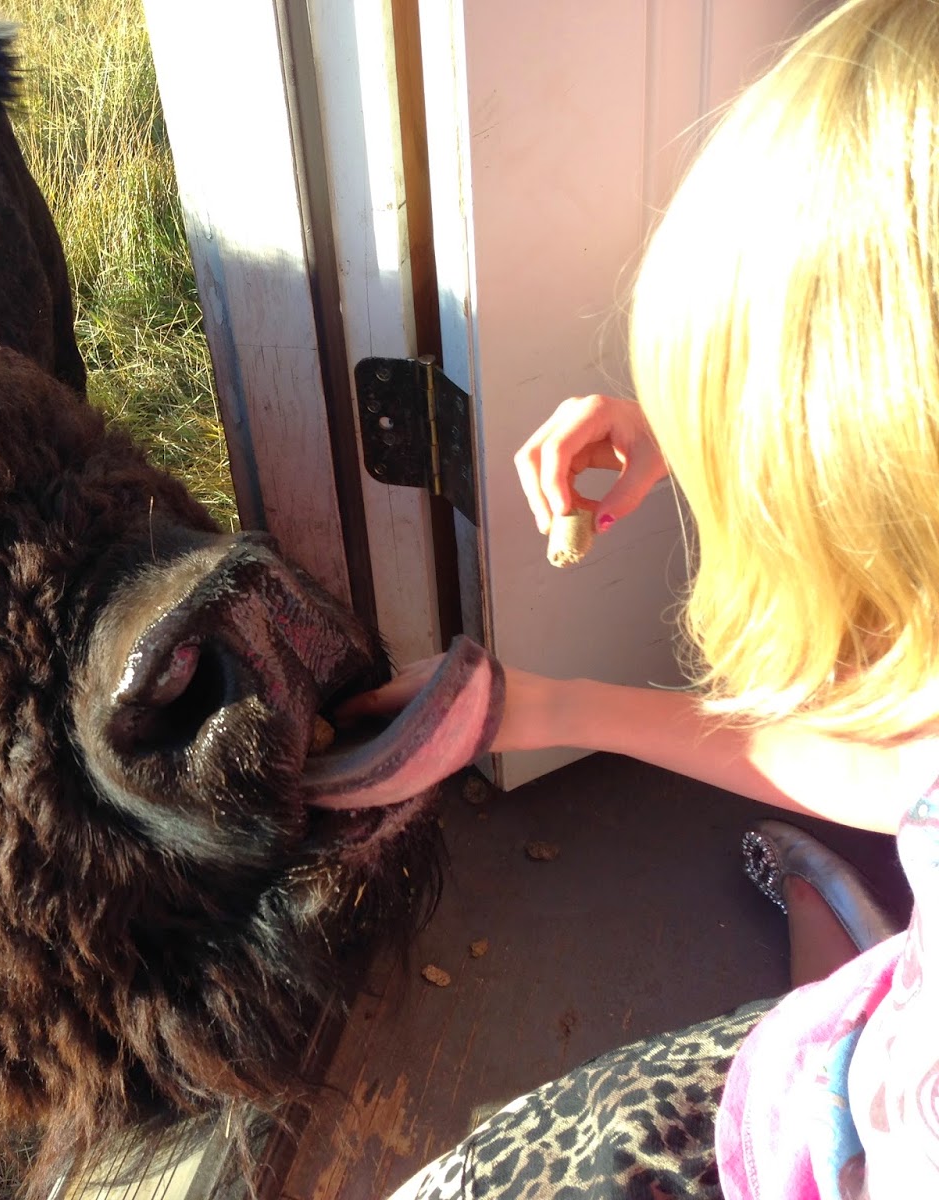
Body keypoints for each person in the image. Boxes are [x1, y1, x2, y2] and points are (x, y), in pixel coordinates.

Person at [347, 0, 939, 1195]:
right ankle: (851, 945)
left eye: (761, 473)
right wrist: (543, 708)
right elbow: (907, 773)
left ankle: (839, 958)